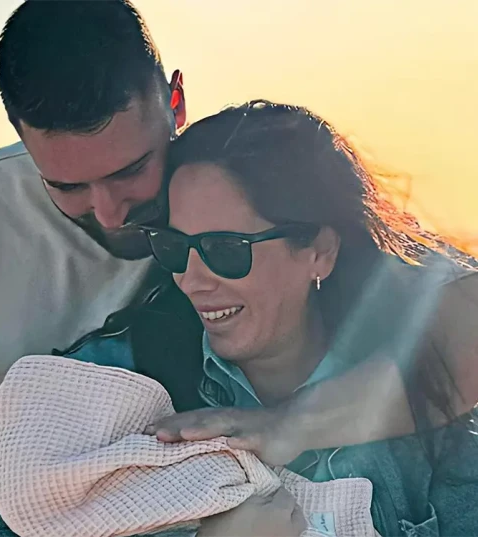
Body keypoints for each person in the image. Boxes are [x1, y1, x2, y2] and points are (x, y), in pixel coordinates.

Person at [0, 0, 470, 535]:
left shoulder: (223, 173)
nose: (112, 213)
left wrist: (289, 425)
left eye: (129, 172)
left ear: (174, 103)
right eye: (66, 187)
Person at [144, 101, 478, 535]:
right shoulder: (134, 390)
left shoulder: (437, 417)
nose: (190, 280)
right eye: (173, 247)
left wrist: (289, 425)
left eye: (225, 249)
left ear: (320, 251)